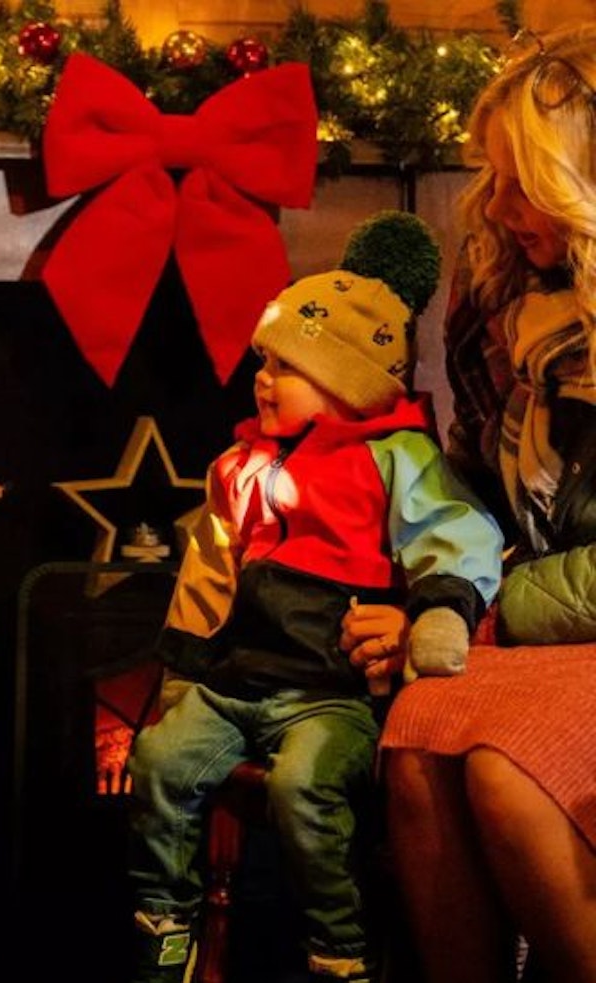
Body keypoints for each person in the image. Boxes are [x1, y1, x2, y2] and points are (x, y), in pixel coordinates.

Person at [125, 213, 505, 983]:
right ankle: (166, 919)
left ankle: (339, 946)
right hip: (234, 683)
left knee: (306, 785)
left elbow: (454, 531)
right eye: (263, 360)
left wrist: (438, 610)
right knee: (159, 758)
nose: (262, 378)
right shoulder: (238, 465)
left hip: (327, 694)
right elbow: (208, 569)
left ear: (345, 384)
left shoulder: (397, 456)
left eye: (286, 366)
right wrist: (181, 675)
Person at [371, 22, 596, 983]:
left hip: (563, 616)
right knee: (417, 736)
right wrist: (440, 598)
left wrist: (500, 610)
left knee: (511, 772)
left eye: (520, 181)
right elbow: (470, 489)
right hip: (547, 619)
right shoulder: (508, 306)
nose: (496, 206)